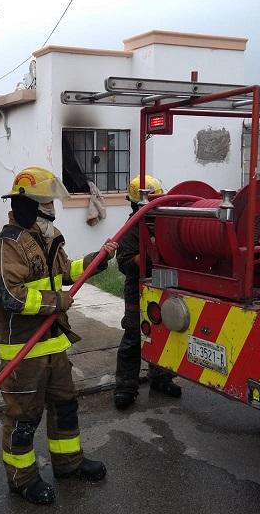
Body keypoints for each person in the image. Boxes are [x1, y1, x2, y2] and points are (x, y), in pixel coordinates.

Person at [0, 166, 118, 506]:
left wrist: (96, 260)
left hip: (54, 345)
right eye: (46, 202)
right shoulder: (7, 245)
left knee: (64, 407)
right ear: (28, 204)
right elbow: (10, 296)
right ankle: (22, 478)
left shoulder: (48, 236)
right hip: (23, 351)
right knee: (24, 417)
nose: (52, 208)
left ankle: (69, 464)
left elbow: (65, 271)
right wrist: (56, 302)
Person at [114, 175, 181, 410]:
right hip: (137, 290)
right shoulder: (131, 229)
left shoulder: (164, 222)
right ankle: (125, 387)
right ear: (136, 204)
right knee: (133, 337)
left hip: (164, 286)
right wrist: (150, 253)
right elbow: (123, 263)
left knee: (163, 334)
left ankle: (161, 378)